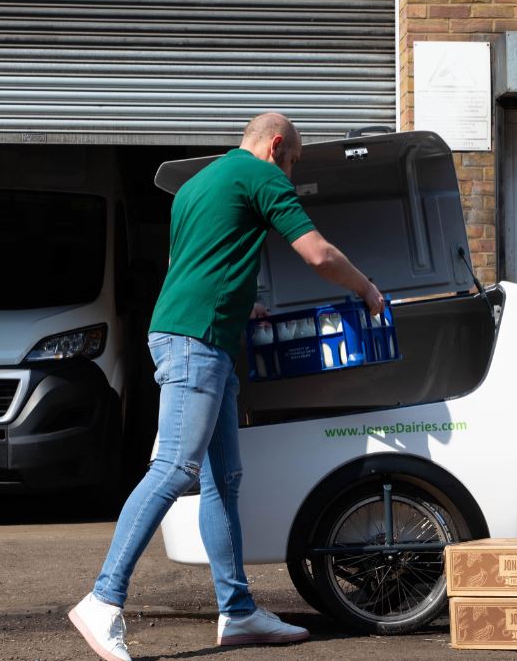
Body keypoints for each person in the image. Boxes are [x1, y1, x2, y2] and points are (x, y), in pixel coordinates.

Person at [69, 112, 384, 660]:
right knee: (173, 469)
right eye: (292, 163)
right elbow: (317, 253)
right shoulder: (260, 176)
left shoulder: (195, 186)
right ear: (276, 146)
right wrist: (366, 287)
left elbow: (187, 264)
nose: (290, 173)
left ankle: (237, 612)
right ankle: (102, 599)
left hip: (195, 335)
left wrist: (243, 303)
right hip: (198, 344)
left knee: (223, 480)